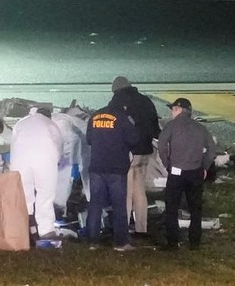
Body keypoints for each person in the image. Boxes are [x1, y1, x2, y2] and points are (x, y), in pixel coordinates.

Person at [157, 98, 216, 250]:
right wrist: (205, 166)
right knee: (195, 208)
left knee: (172, 207)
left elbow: (161, 145)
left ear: (179, 110)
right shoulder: (200, 128)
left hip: (176, 172)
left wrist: (167, 163)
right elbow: (212, 148)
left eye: (173, 109)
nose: (171, 112)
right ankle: (194, 242)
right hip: (195, 172)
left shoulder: (171, 126)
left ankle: (172, 242)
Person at [110, 76, 161, 239]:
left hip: (128, 153)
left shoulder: (118, 100)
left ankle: (123, 229)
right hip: (145, 152)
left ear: (115, 90)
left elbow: (114, 125)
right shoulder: (146, 101)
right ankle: (141, 228)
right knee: (140, 192)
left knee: (125, 192)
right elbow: (155, 130)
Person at [86, 98, 139, 251]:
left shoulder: (95, 116)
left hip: (96, 167)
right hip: (116, 168)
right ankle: (121, 242)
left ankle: (92, 241)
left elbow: (89, 139)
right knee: (119, 205)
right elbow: (134, 139)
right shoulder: (122, 117)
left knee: (95, 204)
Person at [10, 107, 63, 238]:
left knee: (24, 194)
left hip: (21, 160)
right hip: (44, 160)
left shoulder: (21, 122)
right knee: (45, 194)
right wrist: (56, 161)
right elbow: (59, 146)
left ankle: (24, 228)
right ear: (48, 116)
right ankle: (46, 230)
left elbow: (13, 144)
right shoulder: (51, 124)